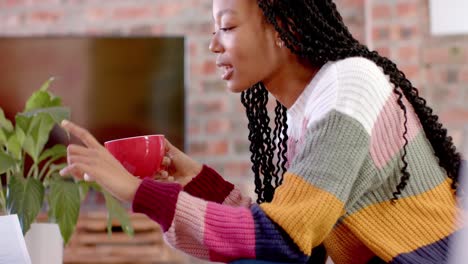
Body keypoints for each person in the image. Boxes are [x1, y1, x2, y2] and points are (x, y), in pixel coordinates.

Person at [59, 0, 464, 263]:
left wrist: (137, 191)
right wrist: (196, 183)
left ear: (283, 26)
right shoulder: (309, 108)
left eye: (228, 27)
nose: (214, 45)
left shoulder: (348, 86)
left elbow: (285, 240)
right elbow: (289, 237)